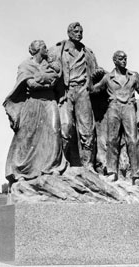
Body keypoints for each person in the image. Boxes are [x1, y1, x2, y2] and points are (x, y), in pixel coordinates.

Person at [3, 40, 67, 186]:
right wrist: (45, 78)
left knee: (54, 131)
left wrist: (40, 78)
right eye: (44, 47)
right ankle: (20, 171)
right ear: (37, 49)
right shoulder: (25, 65)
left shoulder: (50, 64)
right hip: (32, 103)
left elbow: (55, 80)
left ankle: (53, 167)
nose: (47, 49)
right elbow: (31, 84)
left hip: (50, 101)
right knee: (26, 136)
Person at [92, 50, 139, 184]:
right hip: (113, 108)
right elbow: (93, 90)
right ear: (115, 61)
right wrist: (91, 79)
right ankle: (112, 172)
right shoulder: (108, 78)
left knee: (133, 140)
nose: (124, 60)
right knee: (112, 140)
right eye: (121, 58)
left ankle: (136, 176)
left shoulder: (134, 76)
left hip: (128, 107)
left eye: (125, 58)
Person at [49, 22, 104, 169]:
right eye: (76, 31)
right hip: (66, 92)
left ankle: (88, 165)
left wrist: (97, 74)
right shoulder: (57, 51)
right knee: (65, 128)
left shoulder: (88, 53)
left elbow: (95, 74)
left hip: (83, 92)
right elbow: (47, 68)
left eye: (81, 31)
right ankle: (60, 164)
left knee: (87, 129)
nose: (79, 34)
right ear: (69, 33)